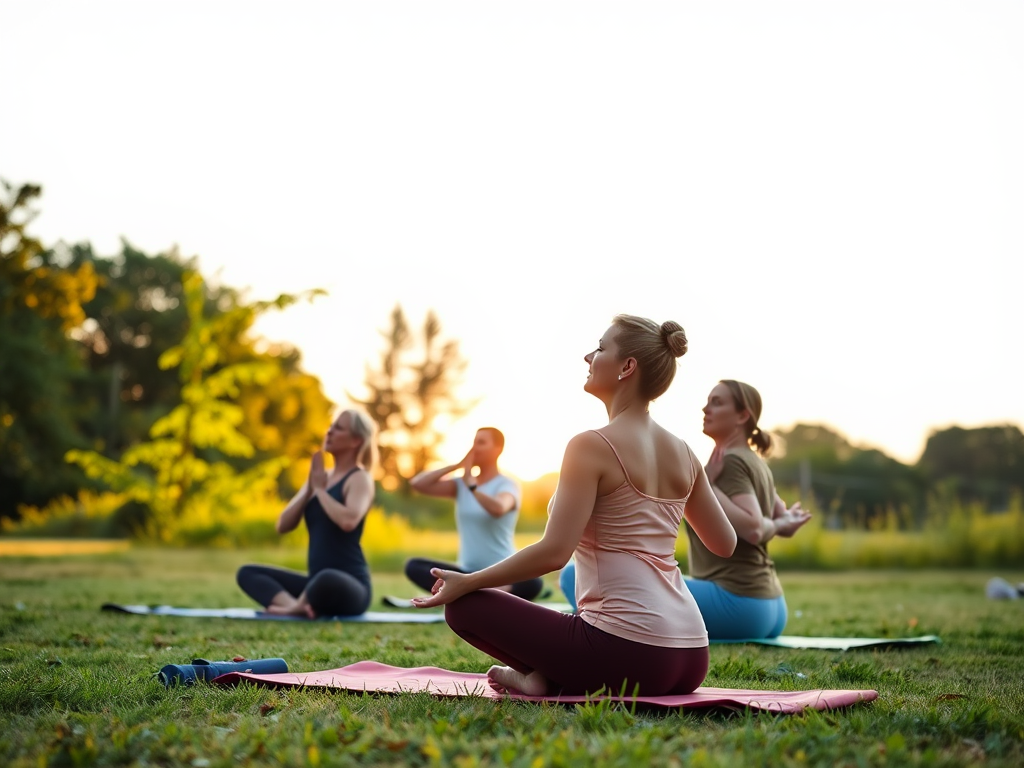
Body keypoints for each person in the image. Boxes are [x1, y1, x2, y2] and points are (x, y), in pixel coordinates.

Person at [412, 315, 737, 697]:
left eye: (600, 348)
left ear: (627, 367)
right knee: (573, 621)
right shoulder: (683, 451)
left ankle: (545, 674)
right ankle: (545, 676)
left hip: (629, 654)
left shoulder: (591, 445)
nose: (588, 356)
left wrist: (469, 580)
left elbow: (554, 552)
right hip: (691, 654)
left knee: (464, 607)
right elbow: (724, 543)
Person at [684, 379, 812, 639]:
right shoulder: (756, 462)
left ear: (743, 415)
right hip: (771, 606)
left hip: (738, 605)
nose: (705, 409)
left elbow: (754, 528)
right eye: (707, 402)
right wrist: (785, 522)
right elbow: (780, 515)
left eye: (717, 403)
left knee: (583, 574)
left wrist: (705, 485)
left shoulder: (731, 463)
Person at [236, 407, 377, 618]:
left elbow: (349, 521)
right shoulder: (319, 477)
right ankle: (298, 606)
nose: (329, 431)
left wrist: (320, 490)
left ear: (356, 440)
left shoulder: (360, 478)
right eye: (330, 426)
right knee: (248, 573)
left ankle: (294, 608)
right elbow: (283, 526)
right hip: (314, 586)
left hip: (350, 587)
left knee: (325, 577)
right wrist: (311, 488)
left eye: (338, 428)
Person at [403, 428, 544, 601]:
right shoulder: (460, 485)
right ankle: (477, 591)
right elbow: (418, 484)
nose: (474, 448)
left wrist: (472, 487)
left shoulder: (507, 484)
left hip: (502, 573)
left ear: (498, 449)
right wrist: (457, 466)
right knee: (414, 566)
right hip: (466, 573)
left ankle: (470, 592)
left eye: (481, 442)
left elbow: (499, 508)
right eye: (473, 442)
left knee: (533, 583)